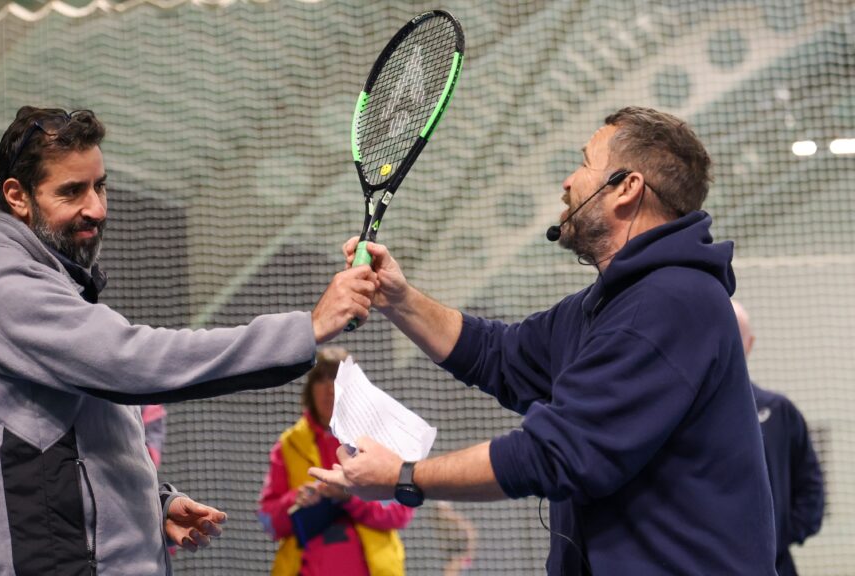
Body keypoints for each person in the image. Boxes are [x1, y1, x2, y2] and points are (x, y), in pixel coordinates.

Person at [311, 107, 777, 574]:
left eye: (585, 162)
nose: (568, 181)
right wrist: (399, 298)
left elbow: (555, 453)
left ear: (627, 187)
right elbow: (498, 355)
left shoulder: (670, 302)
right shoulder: (607, 304)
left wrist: (403, 477)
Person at [0, 106, 377, 575]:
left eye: (99, 186)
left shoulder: (60, 286)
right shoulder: (4, 288)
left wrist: (154, 503)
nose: (97, 208)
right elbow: (135, 364)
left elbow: (79, 444)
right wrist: (308, 328)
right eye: (72, 191)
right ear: (17, 196)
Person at [257, 347, 414, 575]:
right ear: (310, 389)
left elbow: (401, 513)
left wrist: (350, 497)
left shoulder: (376, 440)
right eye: (321, 378)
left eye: (337, 379)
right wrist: (296, 499)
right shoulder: (288, 445)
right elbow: (268, 522)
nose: (329, 388)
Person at [733, 300, 824, 576]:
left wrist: (781, 535)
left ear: (750, 343)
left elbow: (811, 486)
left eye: (737, 335)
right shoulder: (686, 412)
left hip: (777, 566)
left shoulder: (779, 411)